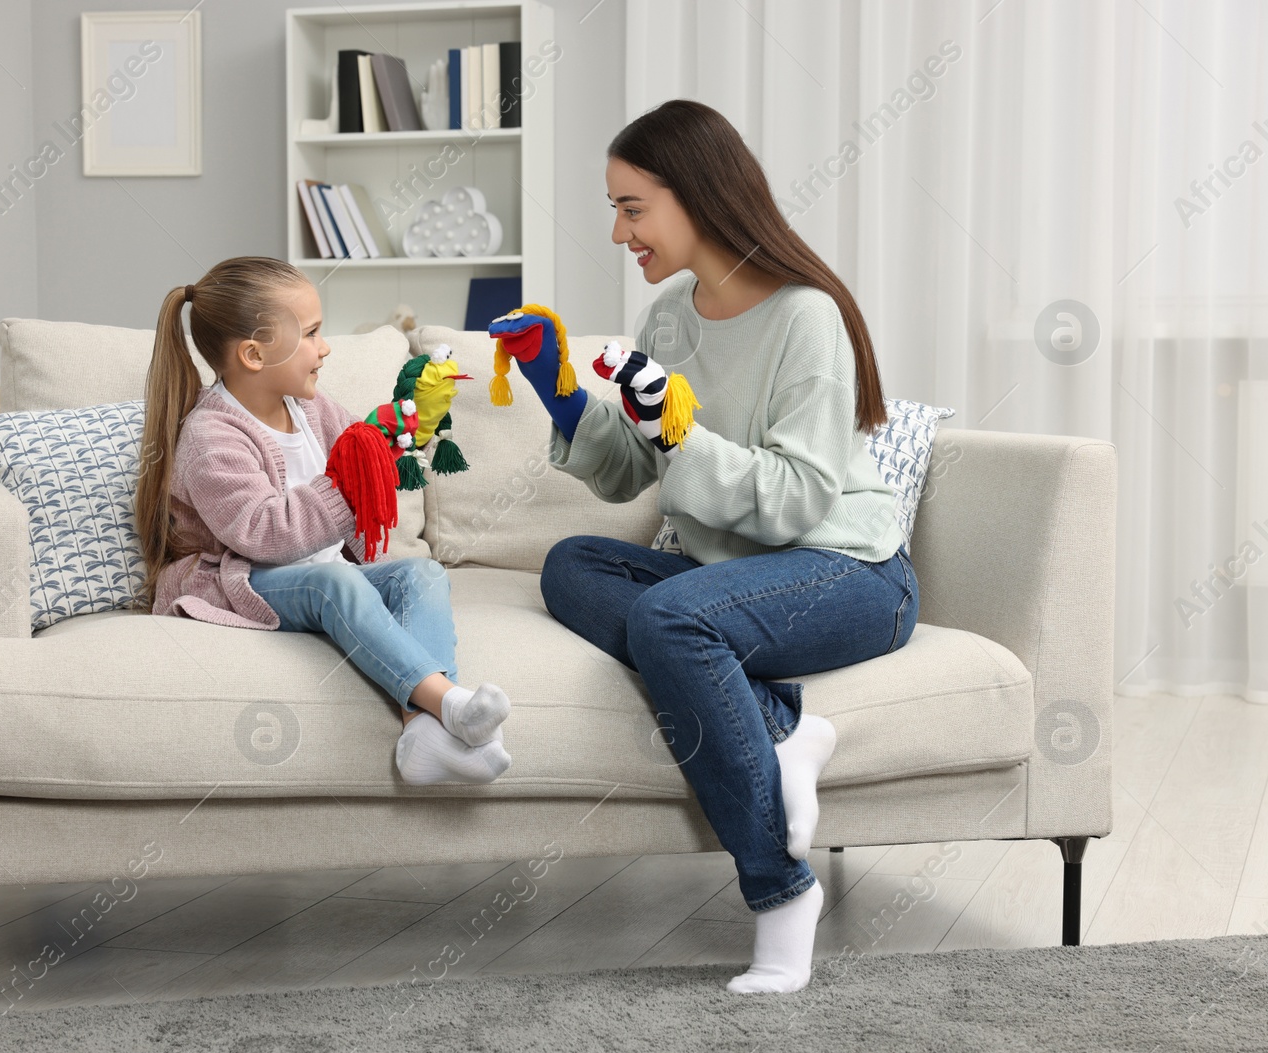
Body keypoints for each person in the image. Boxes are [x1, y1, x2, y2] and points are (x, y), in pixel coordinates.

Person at [523, 101, 919, 993]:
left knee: (670, 617)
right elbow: (633, 470)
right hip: (737, 579)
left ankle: (781, 895)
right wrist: (561, 394)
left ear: (696, 195)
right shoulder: (670, 316)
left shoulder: (805, 317)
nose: (618, 230)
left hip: (851, 571)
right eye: (614, 209)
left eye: (633, 207)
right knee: (572, 565)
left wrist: (678, 422)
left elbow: (796, 499)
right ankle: (785, 732)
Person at [132, 256, 513, 786]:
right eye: (311, 334)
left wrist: (407, 430)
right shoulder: (211, 436)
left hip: (315, 574)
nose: (325, 346)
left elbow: (366, 452)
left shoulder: (309, 407)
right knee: (332, 580)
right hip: (240, 578)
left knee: (421, 574)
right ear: (253, 354)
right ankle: (448, 701)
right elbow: (264, 535)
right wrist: (352, 481)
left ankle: (421, 729)